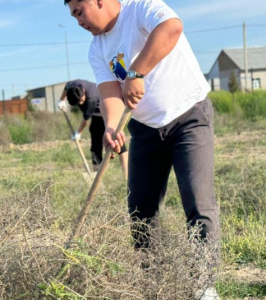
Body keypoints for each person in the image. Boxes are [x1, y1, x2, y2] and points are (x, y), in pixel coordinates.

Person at [64, 0, 219, 299]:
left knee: (198, 203)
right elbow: (109, 90)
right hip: (145, 129)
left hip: (189, 116)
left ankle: (204, 286)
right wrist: (111, 126)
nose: (78, 21)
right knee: (140, 211)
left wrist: (136, 73)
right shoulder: (97, 48)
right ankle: (154, 282)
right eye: (73, 16)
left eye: (79, 11)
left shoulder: (141, 8)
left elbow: (171, 28)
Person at [58, 79, 128, 177]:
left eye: (81, 101)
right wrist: (61, 99)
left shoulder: (92, 98)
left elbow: (86, 119)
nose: (81, 104)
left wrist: (78, 133)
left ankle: (126, 174)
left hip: (107, 114)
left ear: (84, 94)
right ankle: (97, 174)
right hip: (95, 117)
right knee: (95, 145)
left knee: (118, 141)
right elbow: (66, 86)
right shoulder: (72, 85)